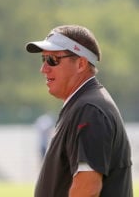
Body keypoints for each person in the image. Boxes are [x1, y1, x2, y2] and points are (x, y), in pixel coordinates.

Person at [25, 25, 132, 197]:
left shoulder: (89, 110)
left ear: (81, 64)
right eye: (43, 59)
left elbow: (87, 189)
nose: (44, 68)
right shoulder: (83, 105)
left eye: (53, 59)